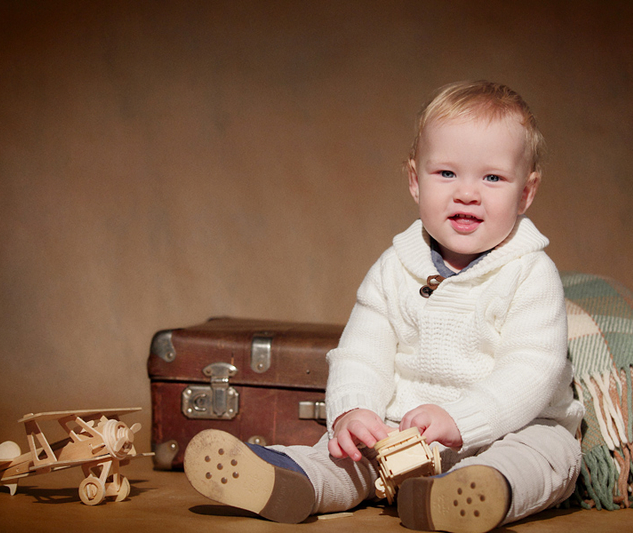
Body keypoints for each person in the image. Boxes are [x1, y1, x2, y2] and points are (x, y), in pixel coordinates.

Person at [184, 80, 585, 533]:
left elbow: (532, 370)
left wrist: (461, 420)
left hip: (511, 429)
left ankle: (472, 490)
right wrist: (354, 411)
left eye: (492, 178)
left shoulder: (530, 272)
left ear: (526, 193)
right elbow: (362, 352)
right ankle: (293, 480)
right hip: (402, 432)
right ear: (415, 181)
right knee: (346, 453)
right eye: (446, 173)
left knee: (546, 455)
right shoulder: (394, 267)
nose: (467, 193)